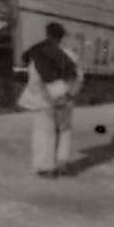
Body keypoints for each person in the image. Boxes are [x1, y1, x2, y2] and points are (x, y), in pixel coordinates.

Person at [19, 22, 84, 177]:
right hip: (65, 98)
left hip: (45, 99)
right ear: (62, 37)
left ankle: (46, 167)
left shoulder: (38, 54)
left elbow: (34, 80)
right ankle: (62, 163)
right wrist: (68, 95)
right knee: (65, 130)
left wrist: (47, 96)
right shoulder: (71, 55)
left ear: (47, 35)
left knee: (43, 131)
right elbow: (79, 78)